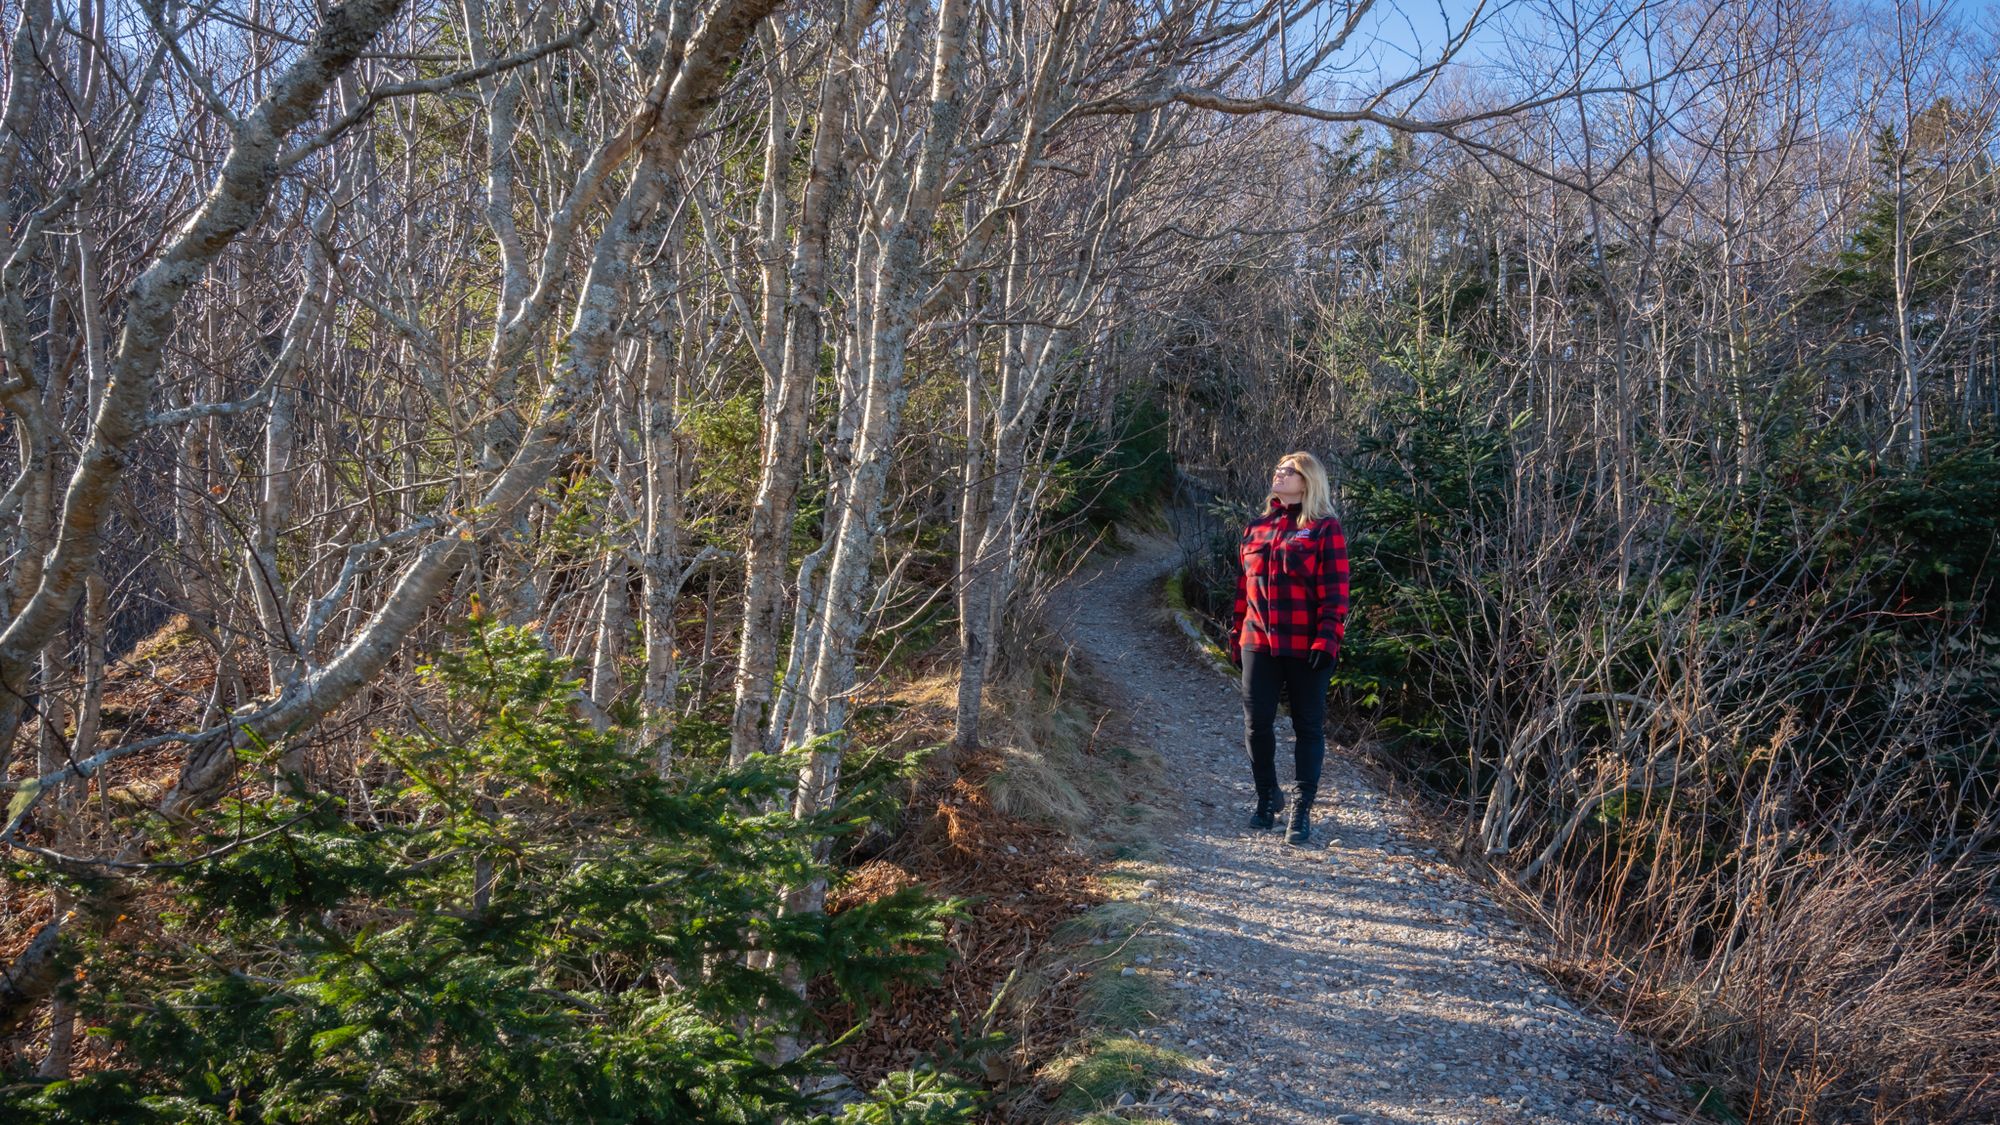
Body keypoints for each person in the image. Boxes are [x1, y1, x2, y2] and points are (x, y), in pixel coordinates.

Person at [1227, 451, 1350, 846]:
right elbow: (1244, 589)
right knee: (1255, 723)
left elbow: (1336, 592)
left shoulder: (1323, 529)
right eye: (1278, 469)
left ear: (1308, 480)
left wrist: (1327, 637)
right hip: (1258, 642)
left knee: (1307, 726)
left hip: (1307, 644)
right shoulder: (1257, 527)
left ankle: (1302, 810)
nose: (1279, 474)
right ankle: (1267, 797)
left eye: (1289, 470)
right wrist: (1236, 635)